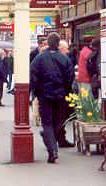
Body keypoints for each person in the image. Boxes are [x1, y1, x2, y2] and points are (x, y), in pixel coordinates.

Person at [30, 33, 74, 163]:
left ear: (48, 43)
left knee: (47, 122)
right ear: (58, 43)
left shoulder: (39, 58)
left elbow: (33, 76)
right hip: (60, 95)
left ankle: (52, 150)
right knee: (58, 121)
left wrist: (36, 92)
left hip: (45, 96)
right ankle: (51, 143)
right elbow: (70, 77)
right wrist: (65, 91)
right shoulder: (64, 58)